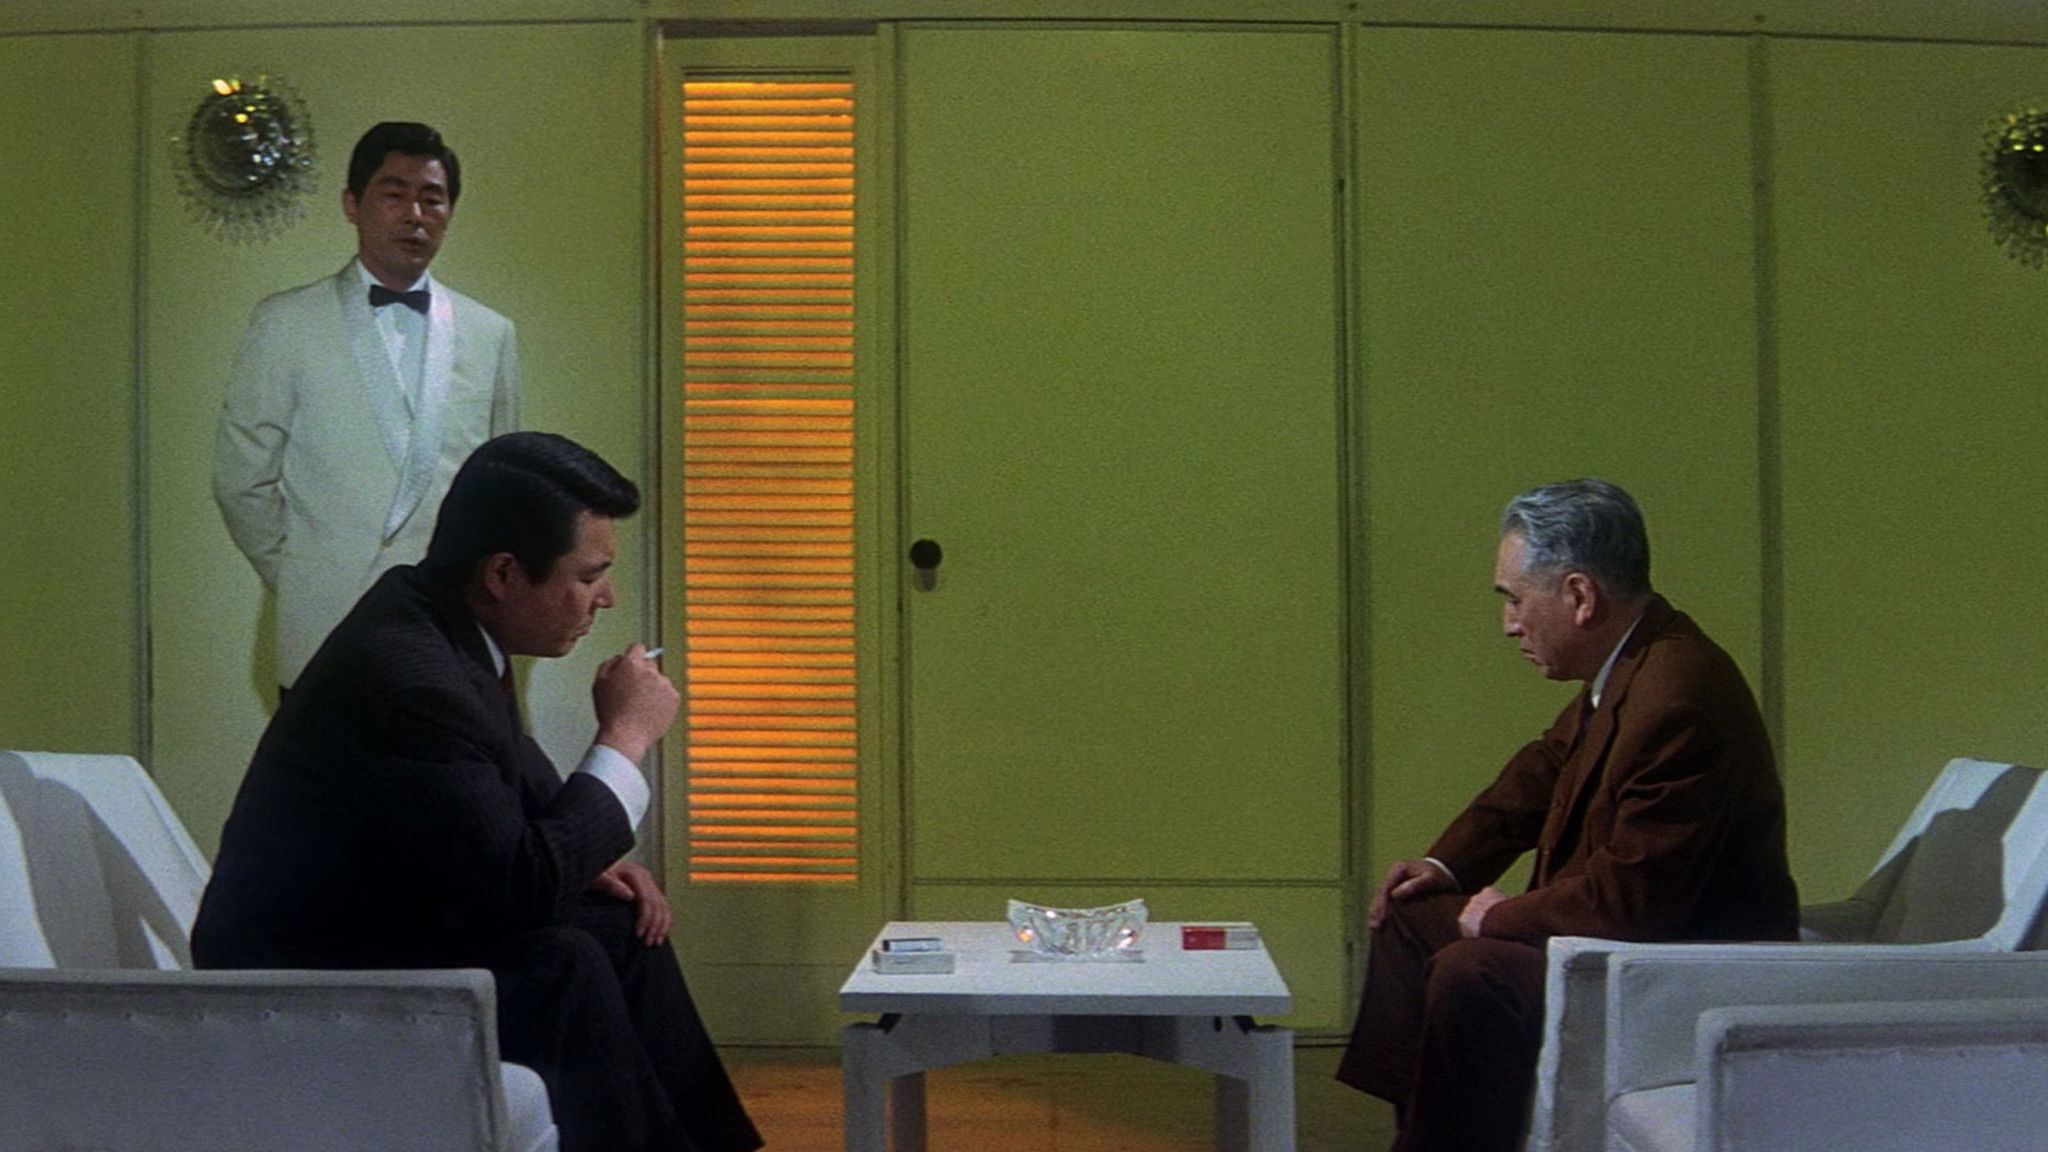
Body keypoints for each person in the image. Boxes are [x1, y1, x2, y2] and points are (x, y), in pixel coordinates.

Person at [193, 432, 761, 1152]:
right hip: (294, 983)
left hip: (378, 928)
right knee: (565, 964)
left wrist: (588, 860)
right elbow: (524, 889)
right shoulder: (414, 678)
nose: (606, 598)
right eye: (589, 576)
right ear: (502, 574)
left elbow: (508, 802)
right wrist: (625, 739)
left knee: (619, 927)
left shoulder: (438, 619)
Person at [1335, 478, 1797, 1152]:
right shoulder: (1636, 661)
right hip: (1622, 945)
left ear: (1580, 596)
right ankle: (1430, 1134)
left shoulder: (1678, 697)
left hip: (1674, 975)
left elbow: (1634, 900)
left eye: (1516, 599)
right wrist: (1444, 866)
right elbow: (1541, 772)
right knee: (1411, 913)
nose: (1509, 623)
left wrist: (1499, 916)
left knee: (1474, 974)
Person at [213, 120, 521, 690]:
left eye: (433, 198)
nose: (414, 215)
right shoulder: (285, 322)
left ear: (450, 212)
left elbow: (501, 491)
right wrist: (303, 575)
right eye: (394, 194)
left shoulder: (490, 333)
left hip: (452, 632)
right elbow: (242, 478)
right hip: (324, 628)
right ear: (352, 205)